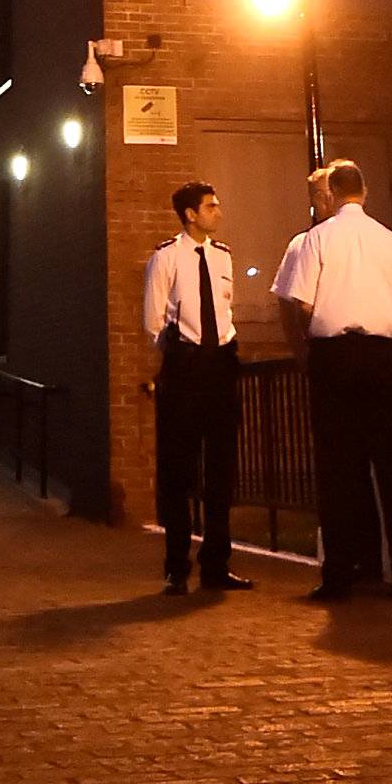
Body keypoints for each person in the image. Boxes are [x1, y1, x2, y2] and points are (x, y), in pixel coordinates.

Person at [273, 157, 392, 602]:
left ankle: (342, 573)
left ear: (332, 194)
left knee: (339, 467)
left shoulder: (316, 239)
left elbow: (300, 303)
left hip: (335, 357)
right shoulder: (390, 239)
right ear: (365, 192)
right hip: (383, 356)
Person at [142, 179, 252, 595]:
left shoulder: (223, 256)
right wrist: (177, 359)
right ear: (191, 214)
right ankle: (176, 566)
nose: (218, 212)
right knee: (179, 470)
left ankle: (216, 565)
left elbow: (225, 308)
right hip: (186, 367)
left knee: (221, 470)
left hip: (221, 365)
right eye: (211, 206)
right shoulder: (166, 258)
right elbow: (153, 319)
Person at [277, 169, 381, 588]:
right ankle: (349, 562)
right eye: (316, 194)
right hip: (338, 357)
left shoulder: (368, 239)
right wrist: (303, 353)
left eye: (326, 191)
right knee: (342, 467)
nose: (323, 200)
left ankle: (365, 562)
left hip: (349, 356)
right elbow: (290, 303)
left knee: (361, 466)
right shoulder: (304, 244)